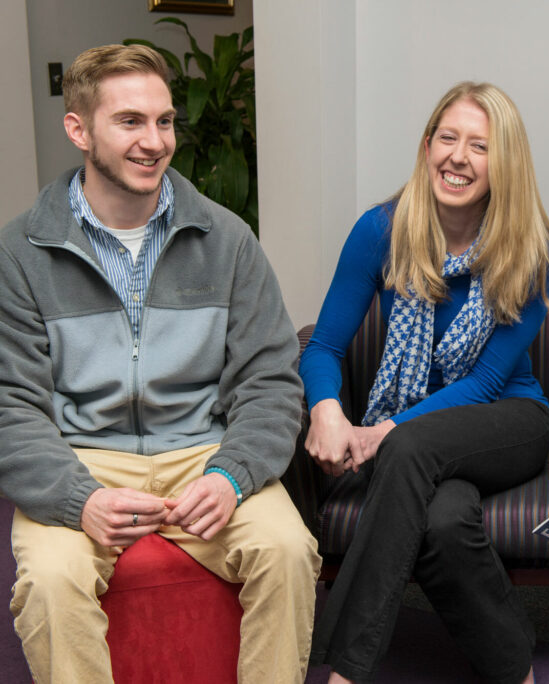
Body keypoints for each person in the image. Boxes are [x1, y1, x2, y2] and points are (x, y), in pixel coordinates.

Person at [0, 44, 321, 683]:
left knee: (288, 551)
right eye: (130, 122)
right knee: (52, 581)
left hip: (203, 452)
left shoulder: (228, 239)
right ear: (79, 130)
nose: (154, 141)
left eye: (165, 120)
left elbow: (271, 381)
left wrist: (231, 476)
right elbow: (12, 405)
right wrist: (77, 497)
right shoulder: (20, 252)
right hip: (82, 455)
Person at [299, 81, 549, 683]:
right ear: (426, 148)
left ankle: (343, 673)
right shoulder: (380, 231)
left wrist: (383, 432)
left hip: (508, 421)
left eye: (480, 145)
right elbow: (323, 346)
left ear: (506, 165)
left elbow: (487, 382)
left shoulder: (532, 252)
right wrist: (327, 410)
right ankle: (517, 670)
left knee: (408, 446)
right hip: (418, 443)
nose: (459, 157)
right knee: (445, 522)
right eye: (447, 138)